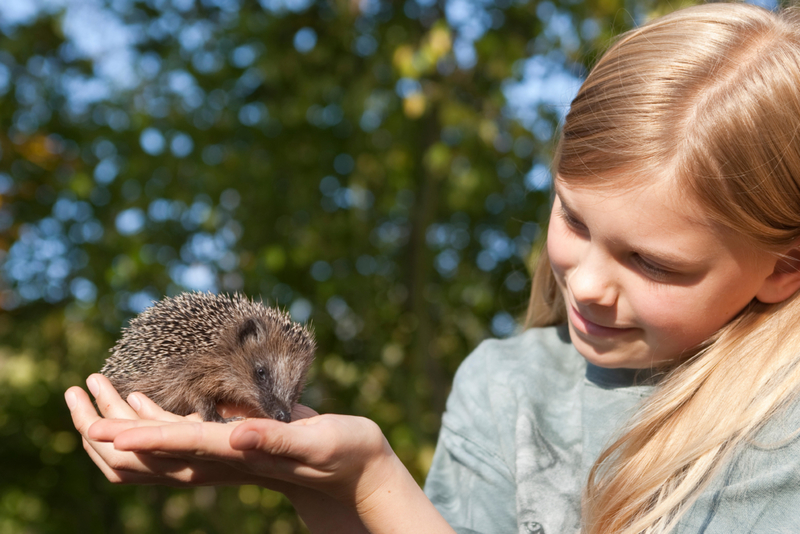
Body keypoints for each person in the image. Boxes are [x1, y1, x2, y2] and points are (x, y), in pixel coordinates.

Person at [66, 3, 800, 533]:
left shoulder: (781, 430)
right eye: (574, 220)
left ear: (782, 267)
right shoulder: (504, 386)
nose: (585, 283)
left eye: (653, 263)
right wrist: (340, 489)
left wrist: (375, 479)